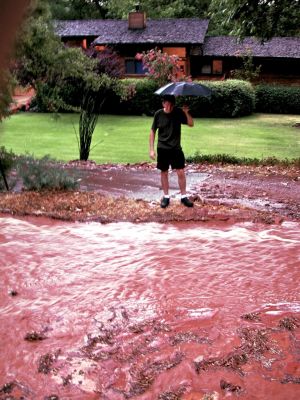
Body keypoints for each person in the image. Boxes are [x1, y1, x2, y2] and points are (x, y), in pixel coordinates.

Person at [149, 94, 194, 208]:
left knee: (181, 172)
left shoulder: (178, 112)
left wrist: (186, 112)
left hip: (176, 148)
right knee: (164, 172)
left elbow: (191, 124)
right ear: (163, 103)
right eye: (166, 104)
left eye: (171, 104)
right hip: (163, 148)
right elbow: (153, 131)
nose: (168, 106)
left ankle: (184, 197)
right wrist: (151, 150)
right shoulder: (158, 114)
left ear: (173, 105)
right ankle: (166, 197)